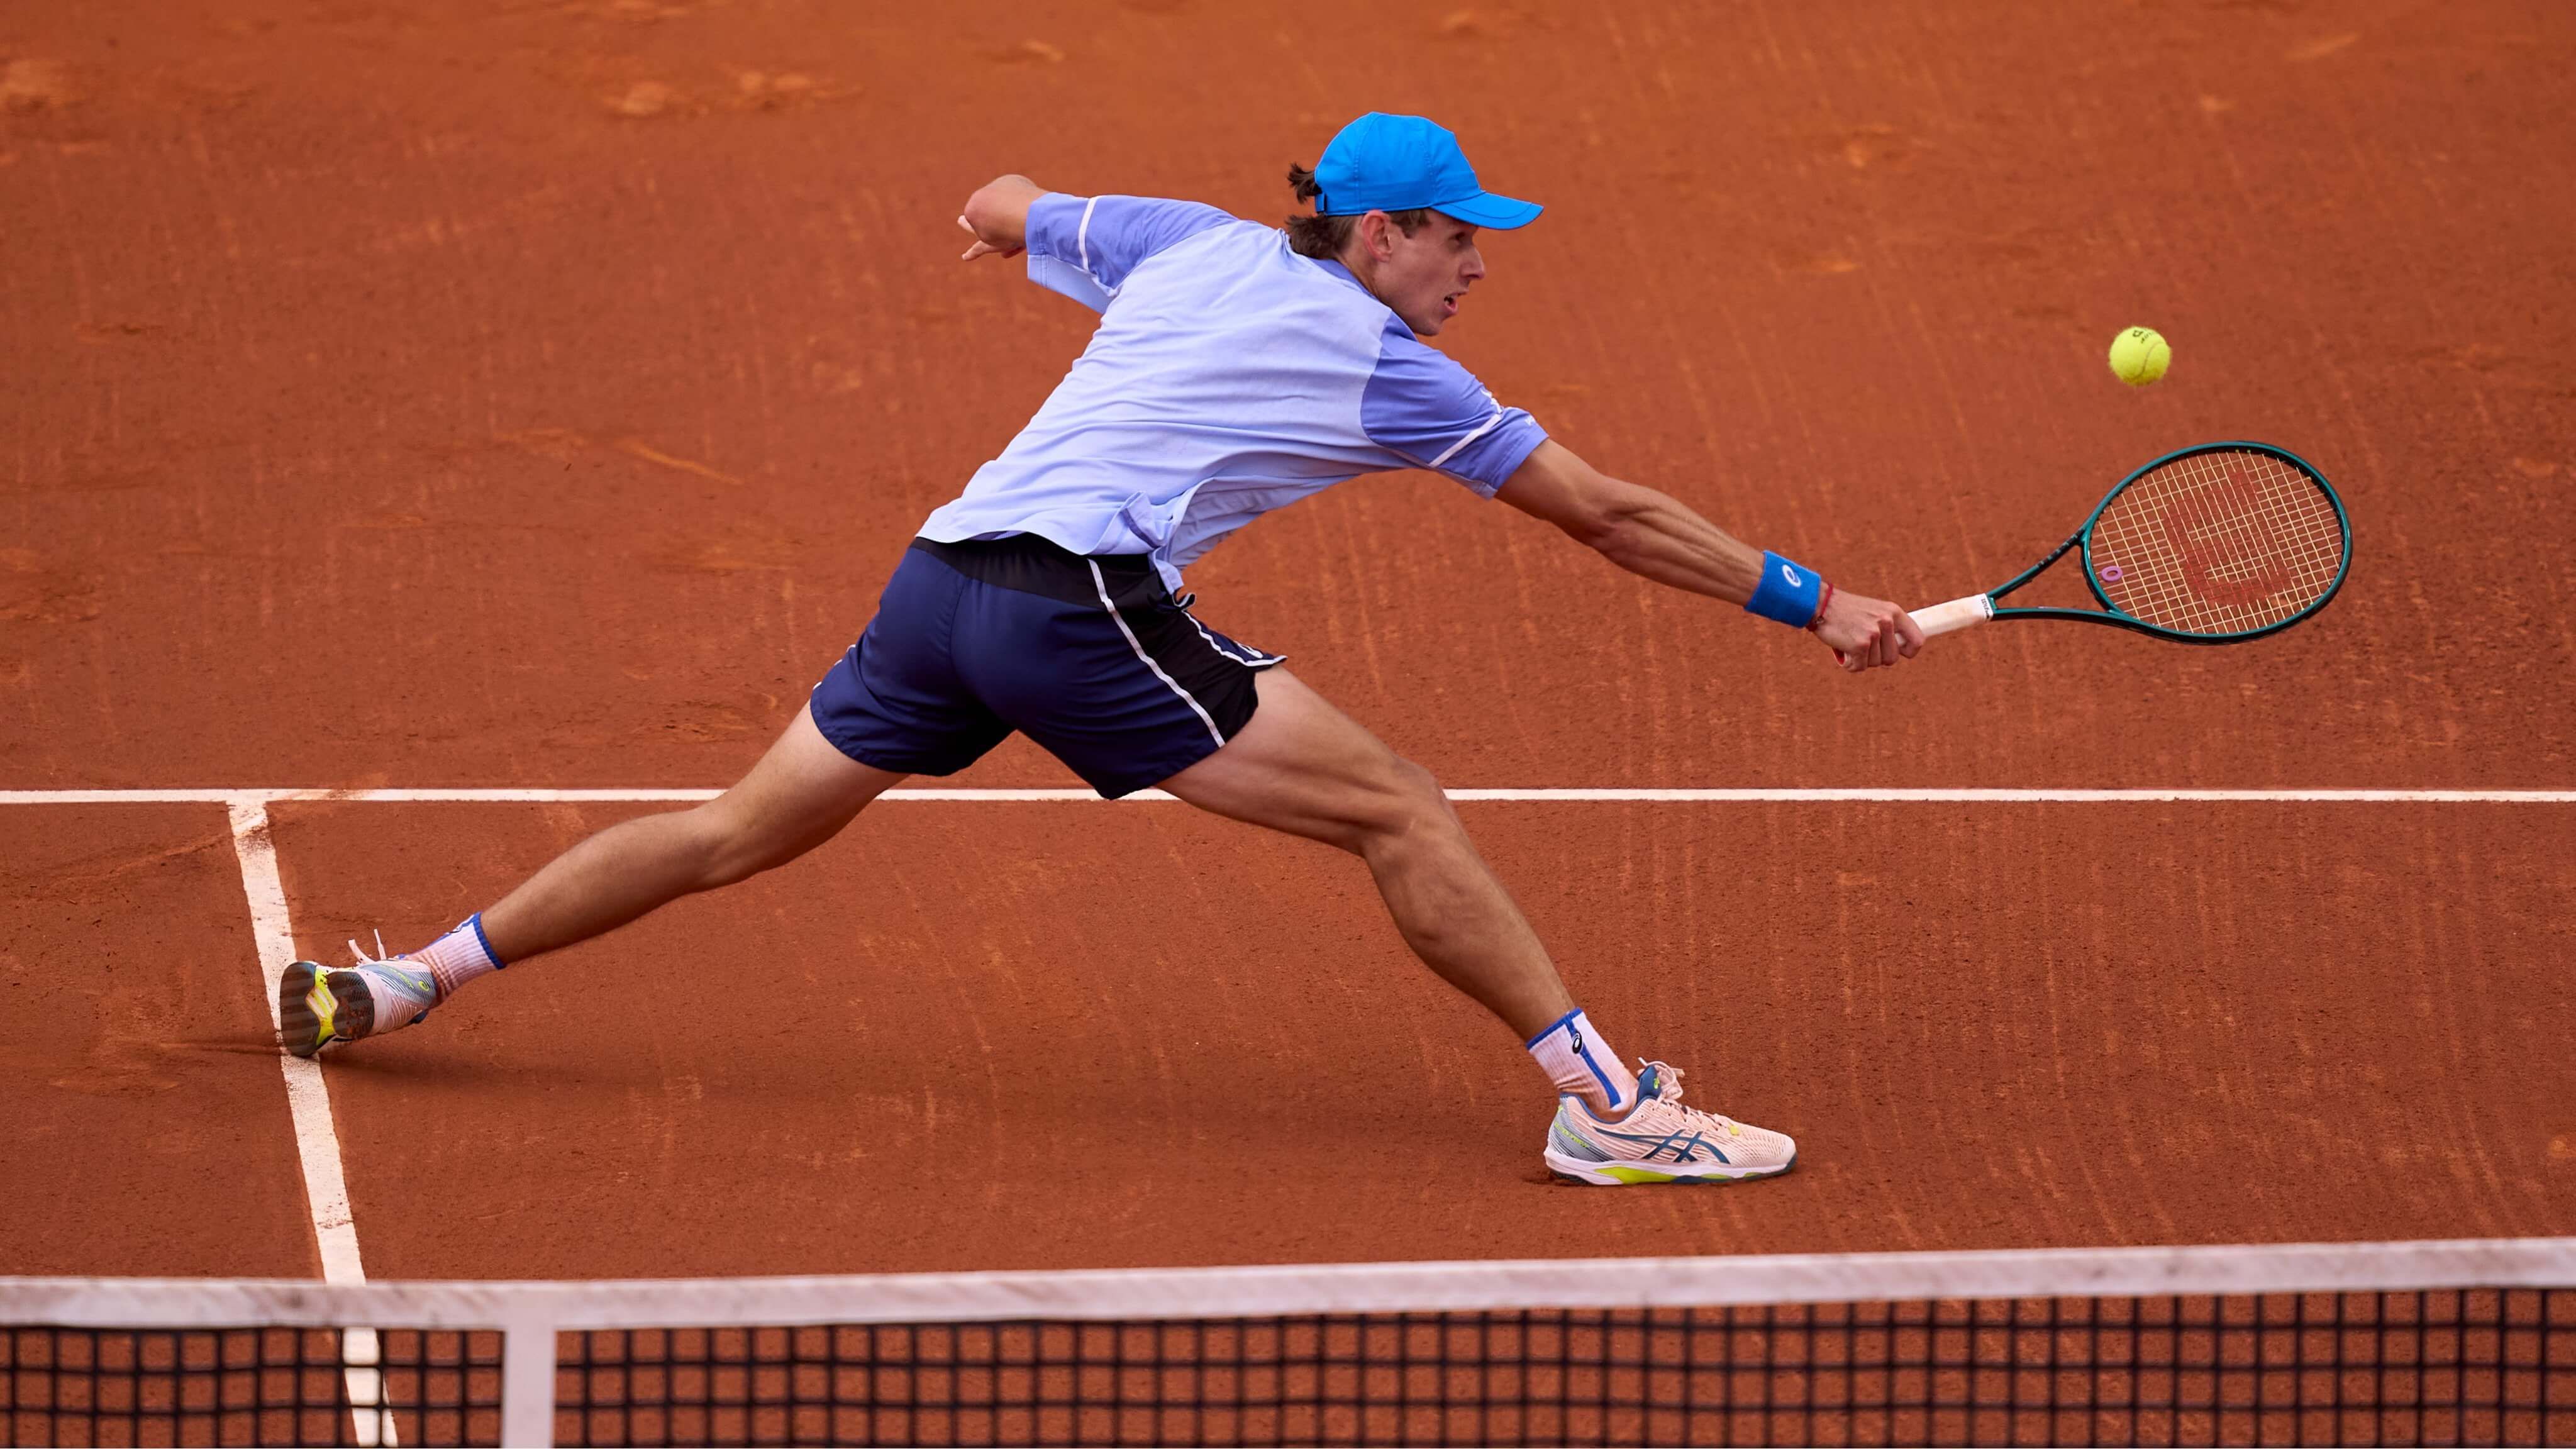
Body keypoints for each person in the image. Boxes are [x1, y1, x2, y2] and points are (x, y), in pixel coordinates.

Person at [280, 112, 1922, 1185]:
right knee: (1400, 809)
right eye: (1457, 236)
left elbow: (998, 194)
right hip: (1079, 608)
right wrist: (1817, 599)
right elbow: (1614, 518)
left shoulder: (1191, 241)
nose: (1479, 262)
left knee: (729, 835)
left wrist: (1017, 237)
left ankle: (405, 979)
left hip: (937, 587)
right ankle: (1611, 1111)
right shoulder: (1393, 370)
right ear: (1376, 238)